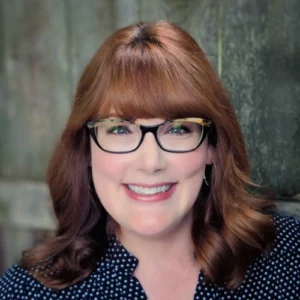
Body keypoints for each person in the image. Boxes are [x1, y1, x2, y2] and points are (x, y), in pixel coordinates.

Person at [0, 21, 299, 300]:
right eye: (119, 129)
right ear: (86, 150)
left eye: (178, 129)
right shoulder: (25, 291)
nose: (150, 162)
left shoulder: (289, 255)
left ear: (212, 147)